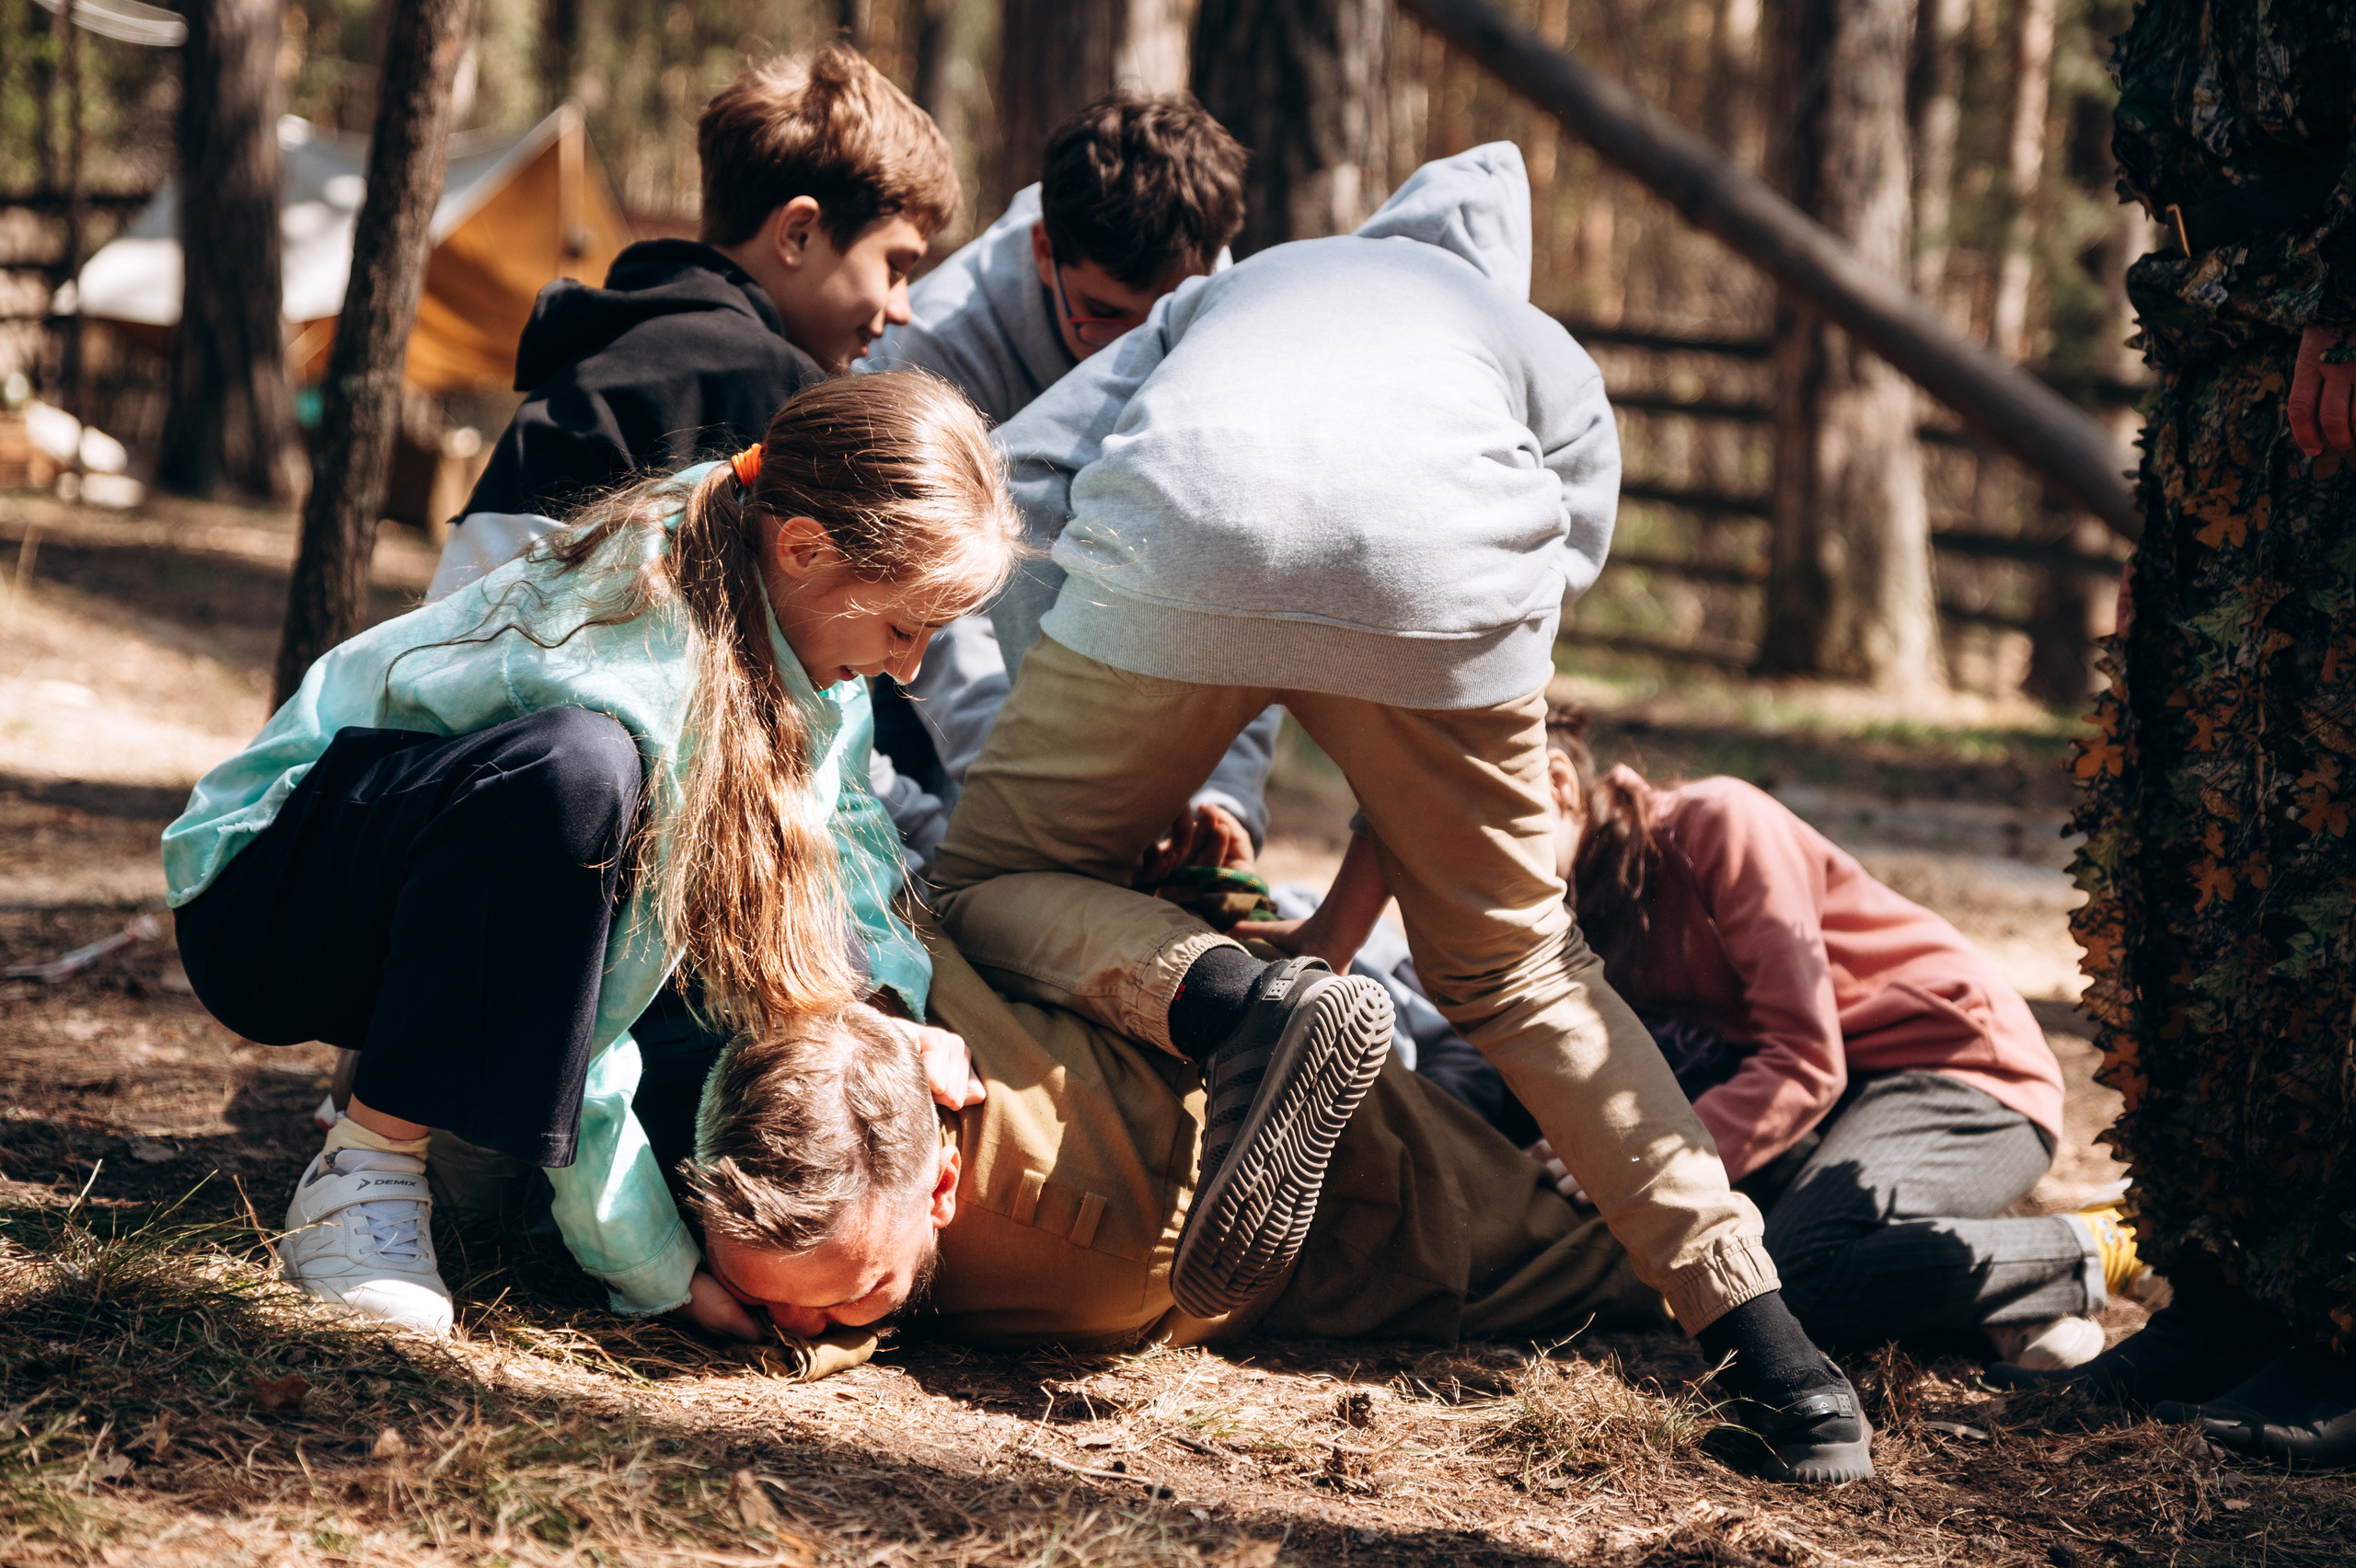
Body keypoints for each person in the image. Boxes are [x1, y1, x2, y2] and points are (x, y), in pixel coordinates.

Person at [925, 142, 1876, 1482]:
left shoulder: (1260, 285)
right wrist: (1427, 734)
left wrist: (1069, 686)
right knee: (1528, 974)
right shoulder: (1528, 337)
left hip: (1182, 540)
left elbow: (1027, 465)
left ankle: (1233, 1005)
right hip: (1446, 592)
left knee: (982, 886)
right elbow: (1566, 551)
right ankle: (1774, 1357)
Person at [166, 375, 1014, 1341]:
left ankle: (434, 1071)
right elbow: (594, 1027)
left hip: (456, 901)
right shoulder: (650, 668)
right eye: (904, 628)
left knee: (807, 949)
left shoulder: (787, 612)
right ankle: (364, 1173)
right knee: (578, 772)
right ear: (806, 548)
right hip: (275, 901)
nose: (908, 666)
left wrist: (883, 1012)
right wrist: (657, 1273)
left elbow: (846, 829)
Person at [677, 927, 1845, 1484]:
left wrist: (765, 1335)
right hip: (1345, 1046)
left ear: (941, 1184)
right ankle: (1239, 998)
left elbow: (876, 1337)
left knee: (1797, 1260)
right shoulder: (855, 1032)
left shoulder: (1059, 1252)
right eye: (777, 1306)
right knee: (990, 881)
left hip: (1422, 1222)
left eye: (850, 1300)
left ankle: (1993, 1242)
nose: (803, 1329)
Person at [1274, 711, 2126, 1369]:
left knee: (1794, 1274)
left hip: (1959, 1074)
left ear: (1560, 786)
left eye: (1493, 833)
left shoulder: (1717, 825)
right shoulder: (1563, 915)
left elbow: (1804, 1058)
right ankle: (2013, 1308)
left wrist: (1650, 1162)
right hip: (1830, 1114)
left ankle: (2105, 1243)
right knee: (1775, 1258)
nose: (1480, 865)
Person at [1988, 0, 2356, 1466]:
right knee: (2201, 853)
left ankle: (2339, 1324)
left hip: (2324, 345)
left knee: (2331, 855)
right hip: (2217, 354)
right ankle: (2222, 1290)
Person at [864, 93, 1277, 849]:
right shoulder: (928, 353)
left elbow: (1252, 563)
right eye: (1105, 316)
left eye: (1166, 320)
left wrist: (1225, 792)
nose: (1136, 354)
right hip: (934, 690)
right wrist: (1026, 788)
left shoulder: (1228, 316)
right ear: (1045, 251)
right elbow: (929, 607)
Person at [427, 43, 956, 603]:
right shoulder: (766, 381)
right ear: (798, 233)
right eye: (895, 266)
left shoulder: (622, 335)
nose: (903, 307)